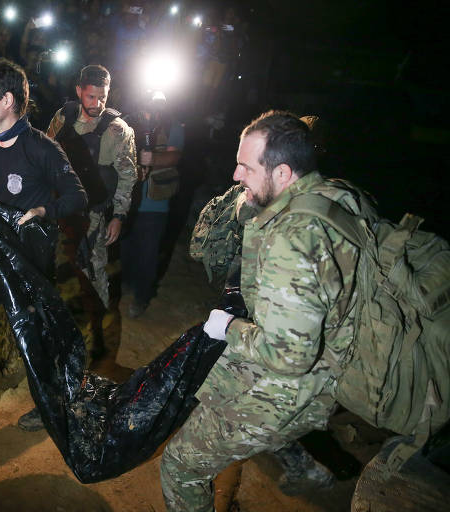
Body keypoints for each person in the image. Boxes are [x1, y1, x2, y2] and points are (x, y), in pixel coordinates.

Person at [160, 110, 377, 511]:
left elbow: (289, 356)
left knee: (179, 466)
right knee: (211, 403)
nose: (235, 175)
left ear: (282, 173)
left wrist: (229, 328)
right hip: (327, 367)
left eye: (246, 166)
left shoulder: (291, 239)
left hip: (293, 385)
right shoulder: (334, 197)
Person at [0, 58, 87, 385]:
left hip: (33, 250)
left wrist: (42, 212)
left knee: (34, 323)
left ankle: (49, 396)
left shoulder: (42, 149)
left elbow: (77, 197)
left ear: (6, 101)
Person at [46, 64, 136, 309]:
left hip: (92, 215)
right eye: (91, 96)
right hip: (60, 209)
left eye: (102, 97)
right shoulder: (63, 118)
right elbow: (46, 157)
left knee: (94, 270)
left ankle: (99, 322)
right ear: (79, 91)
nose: (96, 103)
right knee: (53, 264)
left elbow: (127, 177)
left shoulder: (118, 131)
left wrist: (118, 215)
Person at [121, 91, 183, 318]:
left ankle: (141, 297)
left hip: (155, 203)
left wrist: (152, 160)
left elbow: (175, 156)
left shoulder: (173, 126)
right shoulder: (128, 123)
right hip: (129, 200)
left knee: (148, 253)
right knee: (127, 247)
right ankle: (128, 283)